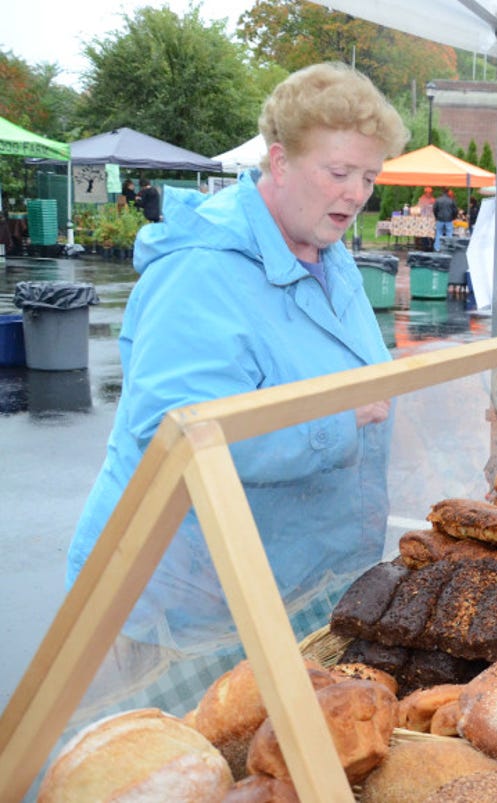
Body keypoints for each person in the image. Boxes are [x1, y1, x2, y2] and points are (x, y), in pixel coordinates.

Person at [67, 62, 409, 712]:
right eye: (338, 172)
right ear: (278, 162)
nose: (357, 192)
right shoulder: (201, 273)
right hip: (183, 603)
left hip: (286, 586)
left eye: (370, 176)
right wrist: (338, 423)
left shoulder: (328, 254)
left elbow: (366, 386)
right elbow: (178, 427)